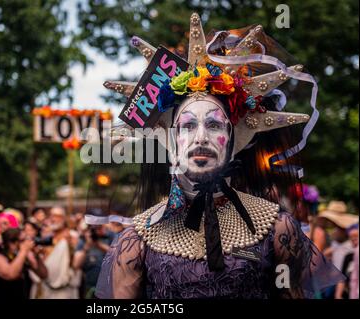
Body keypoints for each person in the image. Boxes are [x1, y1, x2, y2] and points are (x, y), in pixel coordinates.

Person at [94, 13, 344, 299]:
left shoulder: (275, 227)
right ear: (172, 138)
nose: (201, 137)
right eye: (188, 125)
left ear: (234, 138)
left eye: (213, 124)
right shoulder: (137, 239)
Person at [0, 228, 47, 299]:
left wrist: (36, 256)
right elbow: (11, 274)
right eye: (23, 240)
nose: (27, 242)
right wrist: (23, 251)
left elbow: (43, 274)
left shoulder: (22, 256)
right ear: (11, 243)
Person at [37, 206, 81, 299]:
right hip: (46, 286)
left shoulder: (72, 236)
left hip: (64, 289)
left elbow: (75, 263)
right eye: (51, 215)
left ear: (64, 219)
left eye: (57, 216)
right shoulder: (47, 238)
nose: (53, 219)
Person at [73, 223, 112, 299]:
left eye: (99, 228)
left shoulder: (110, 236)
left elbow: (117, 255)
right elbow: (76, 265)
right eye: (94, 229)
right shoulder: (84, 240)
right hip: (88, 287)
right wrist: (87, 246)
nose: (96, 232)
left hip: (108, 287)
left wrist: (98, 244)